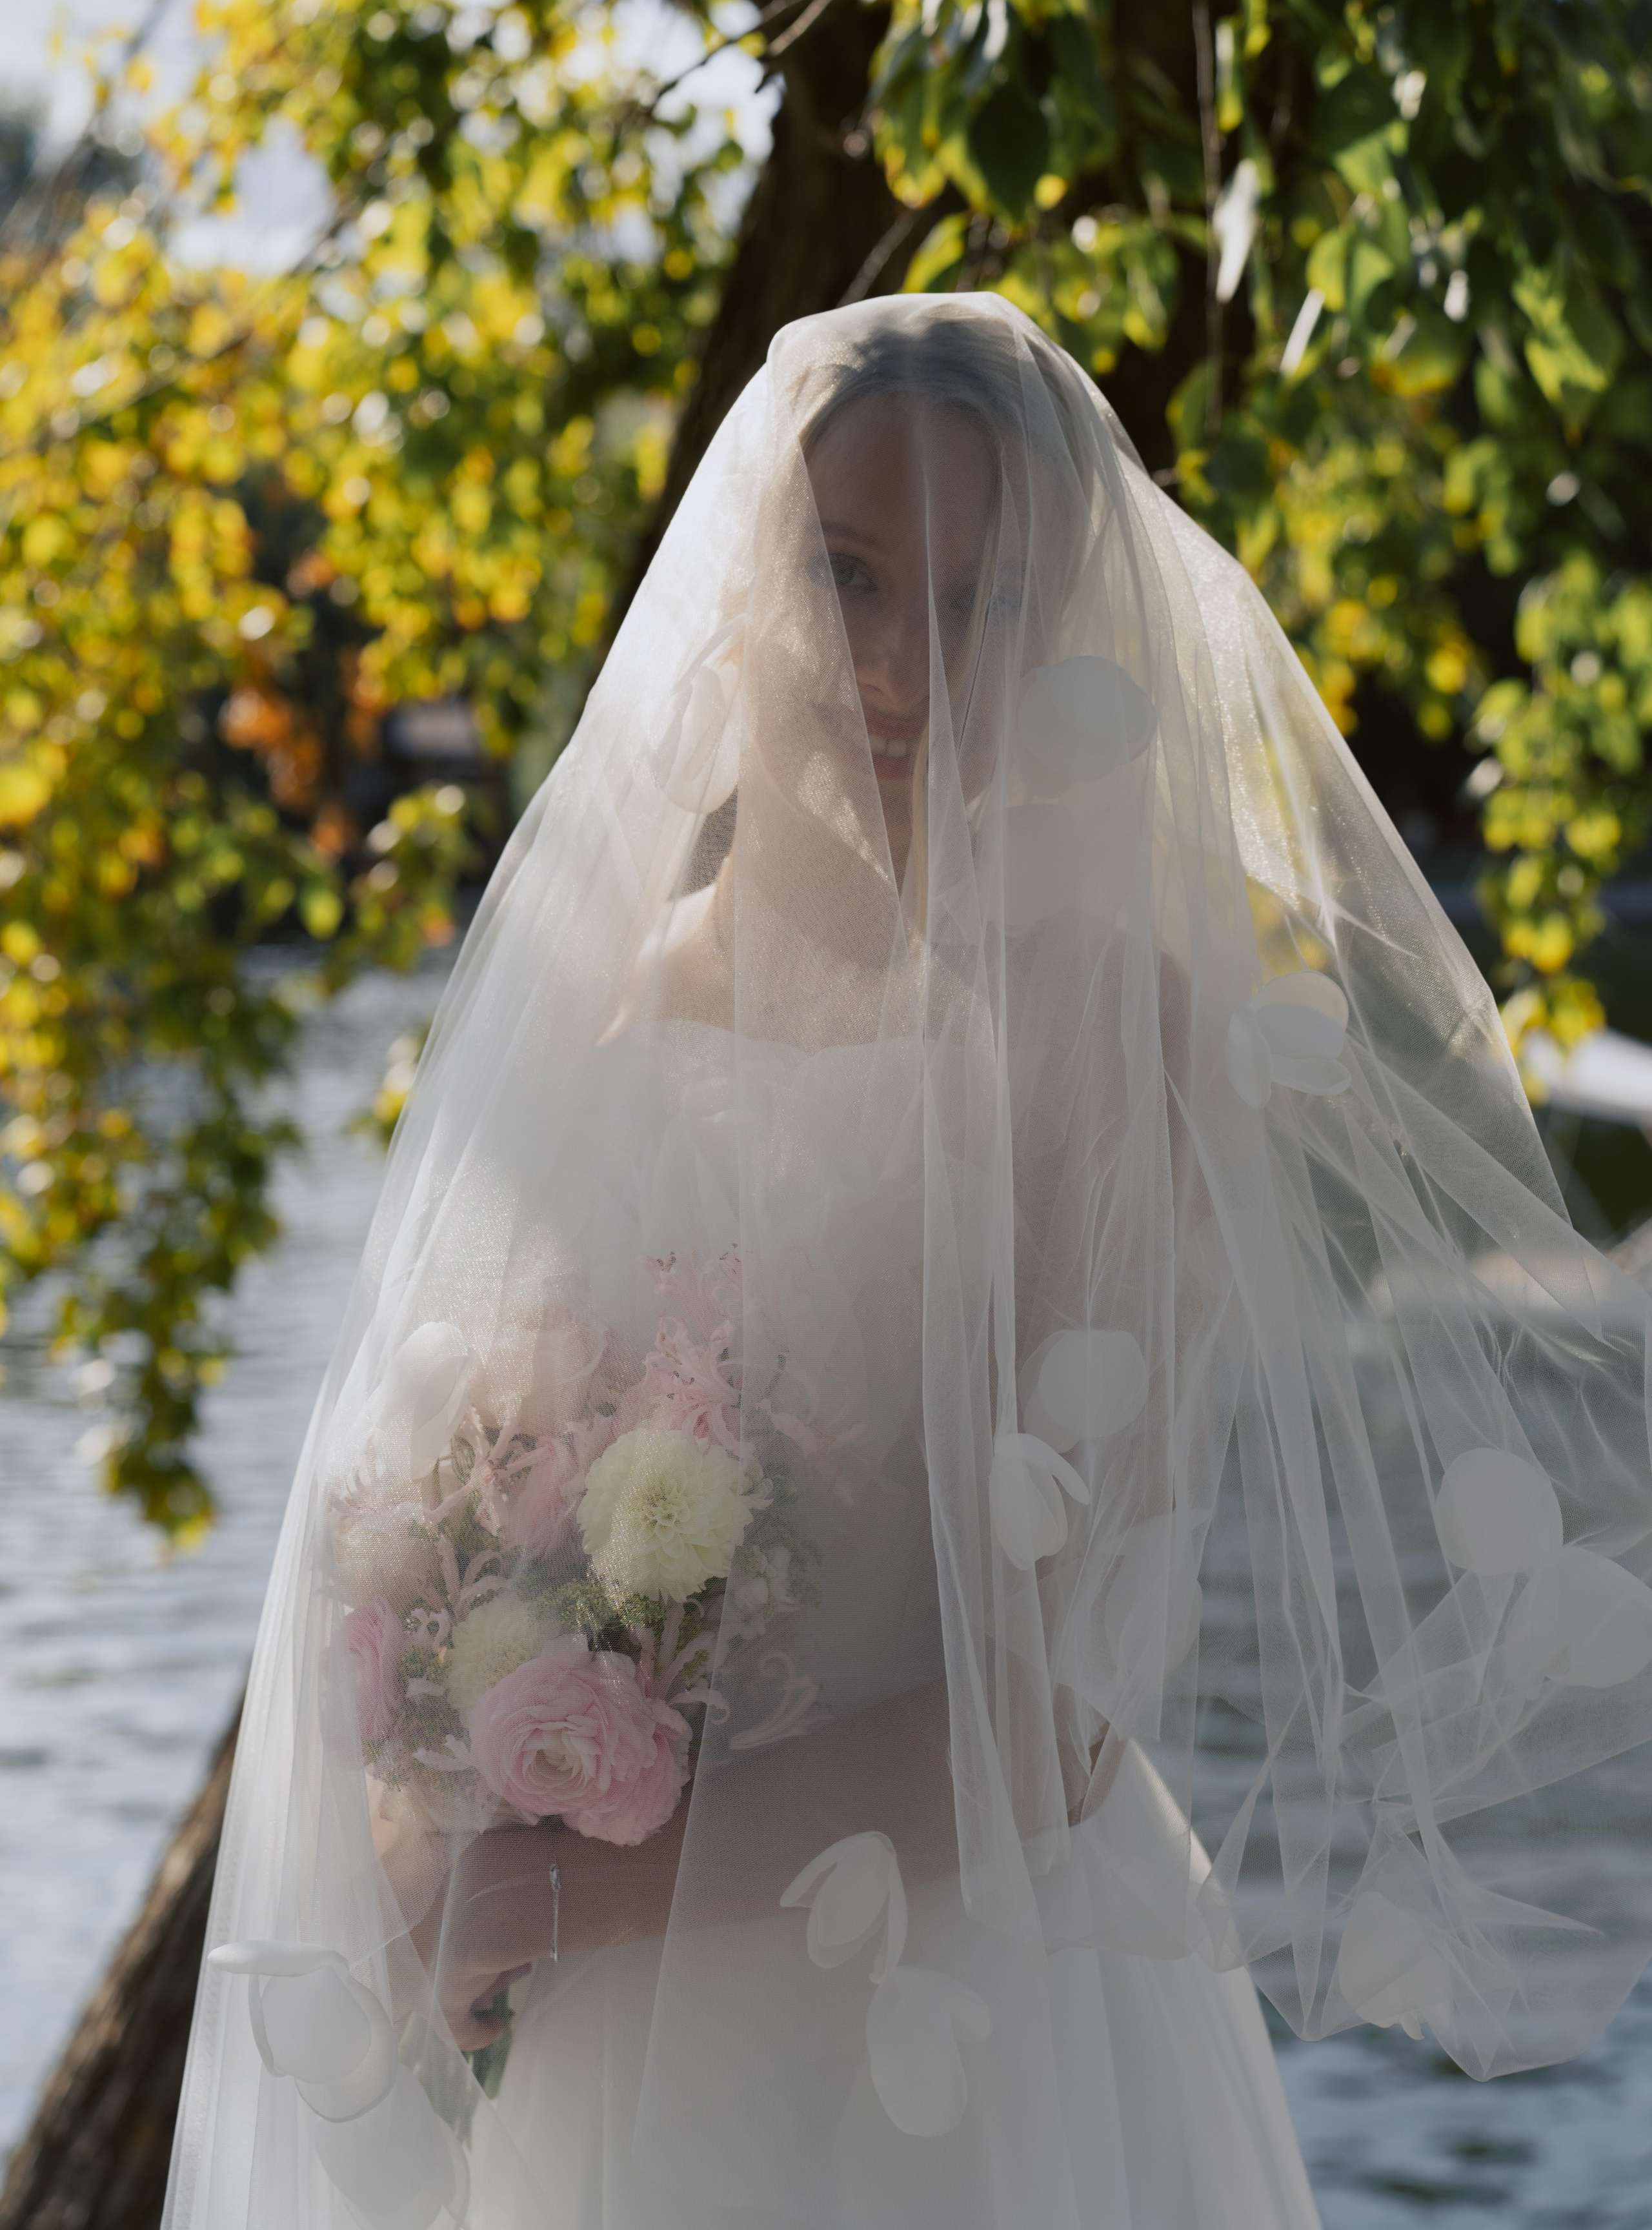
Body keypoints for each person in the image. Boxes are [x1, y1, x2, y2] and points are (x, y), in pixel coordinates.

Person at [166, 296, 1652, 2230]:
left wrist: (569, 1882)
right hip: (611, 2035)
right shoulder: (609, 1000)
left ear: (1061, 642)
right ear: (746, 583)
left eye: (977, 604)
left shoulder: (1108, 1034)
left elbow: (1054, 1719)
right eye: (846, 573)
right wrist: (442, 1785)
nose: (896, 664)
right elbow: (477, 1488)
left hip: (964, 2032)